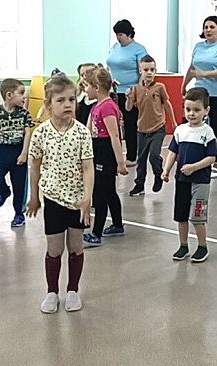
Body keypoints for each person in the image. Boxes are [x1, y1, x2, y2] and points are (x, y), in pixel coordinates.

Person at [26, 76, 94, 313]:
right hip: (53, 200)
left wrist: (87, 198)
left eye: (72, 100)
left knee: (76, 246)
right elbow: (34, 167)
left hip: (77, 201)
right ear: (48, 104)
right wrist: (34, 196)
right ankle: (52, 292)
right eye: (61, 100)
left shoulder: (82, 133)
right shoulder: (41, 133)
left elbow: (88, 168)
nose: (67, 105)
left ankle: (73, 290)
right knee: (54, 249)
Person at [161, 87, 217, 262]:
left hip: (200, 181)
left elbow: (211, 158)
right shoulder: (180, 130)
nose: (191, 114)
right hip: (182, 180)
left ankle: (202, 246)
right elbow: (173, 152)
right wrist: (166, 170)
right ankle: (183, 245)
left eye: (197, 110)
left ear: (206, 110)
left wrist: (194, 167)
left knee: (198, 217)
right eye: (188, 109)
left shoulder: (207, 132)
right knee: (181, 215)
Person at [182, 16, 217, 179]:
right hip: (200, 94)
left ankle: (216, 163)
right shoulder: (199, 46)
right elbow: (192, 68)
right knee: (195, 125)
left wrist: (203, 74)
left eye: (212, 27)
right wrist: (184, 85)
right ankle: (196, 159)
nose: (208, 30)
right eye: (206, 27)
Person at [83, 67, 128, 247]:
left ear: (96, 87)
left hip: (105, 152)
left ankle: (96, 233)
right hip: (97, 149)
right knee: (109, 191)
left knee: (100, 193)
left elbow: (115, 136)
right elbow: (88, 131)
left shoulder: (108, 106)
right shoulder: (96, 106)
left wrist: (120, 162)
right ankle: (117, 224)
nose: (85, 90)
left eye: (87, 86)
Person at [127, 55, 178, 196]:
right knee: (141, 159)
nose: (149, 73)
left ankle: (158, 174)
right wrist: (129, 97)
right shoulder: (136, 89)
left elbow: (167, 104)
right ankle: (139, 185)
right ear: (140, 71)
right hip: (142, 130)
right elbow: (128, 108)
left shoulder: (160, 87)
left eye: (152, 69)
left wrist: (173, 122)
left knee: (154, 156)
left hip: (158, 128)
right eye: (146, 70)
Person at [0, 78, 34, 228]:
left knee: (19, 186)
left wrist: (24, 153)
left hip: (18, 151)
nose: (24, 97)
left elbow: (27, 133)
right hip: (3, 151)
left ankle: (19, 214)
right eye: (21, 93)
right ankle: (4, 192)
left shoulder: (23, 113)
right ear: (9, 95)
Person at [107, 19, 148, 166]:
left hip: (129, 92)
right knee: (113, 124)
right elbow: (109, 66)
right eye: (117, 34)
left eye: (121, 34)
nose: (118, 37)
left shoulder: (138, 49)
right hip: (113, 91)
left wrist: (137, 89)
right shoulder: (114, 47)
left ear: (129, 34)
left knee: (130, 125)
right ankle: (114, 154)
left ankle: (132, 156)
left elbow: (144, 72)